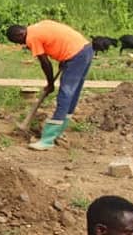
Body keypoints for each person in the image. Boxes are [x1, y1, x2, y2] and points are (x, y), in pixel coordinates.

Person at [7, 21, 94, 150]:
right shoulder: (38, 26)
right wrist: (64, 59)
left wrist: (50, 84)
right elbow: (59, 38)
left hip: (75, 55)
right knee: (72, 94)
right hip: (85, 49)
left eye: (18, 41)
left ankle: (48, 140)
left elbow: (45, 63)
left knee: (65, 95)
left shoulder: (31, 38)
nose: (22, 44)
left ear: (19, 34)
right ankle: (59, 131)